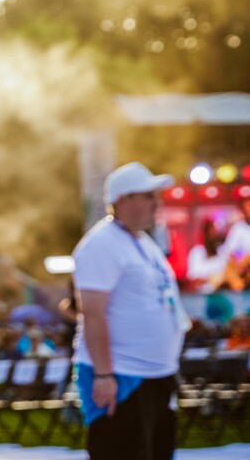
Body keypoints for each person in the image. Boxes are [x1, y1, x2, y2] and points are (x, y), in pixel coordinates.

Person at [73, 161, 189, 459]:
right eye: (148, 196)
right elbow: (93, 313)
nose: (157, 203)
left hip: (153, 375)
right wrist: (103, 376)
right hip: (124, 377)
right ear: (123, 200)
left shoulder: (140, 240)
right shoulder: (102, 244)